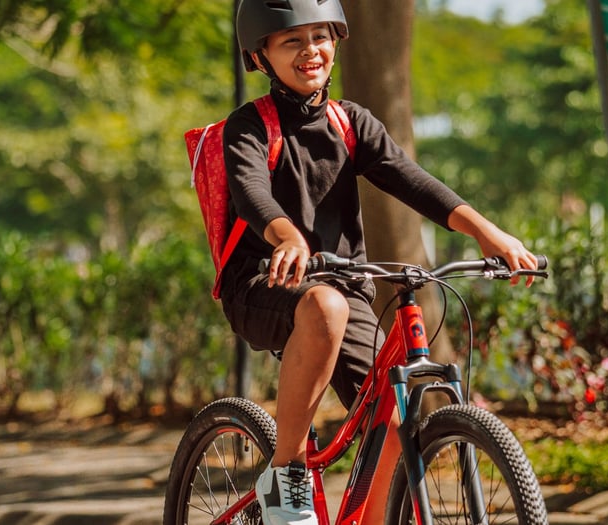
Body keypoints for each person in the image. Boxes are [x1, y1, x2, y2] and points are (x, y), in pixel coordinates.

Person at [220, 1, 538, 523]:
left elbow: (412, 180)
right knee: (323, 306)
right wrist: (288, 238)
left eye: (320, 37)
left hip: (343, 289)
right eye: (291, 41)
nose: (311, 51)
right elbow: (253, 195)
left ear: (337, 40)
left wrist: (489, 233)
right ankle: (288, 476)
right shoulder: (248, 127)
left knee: (393, 424)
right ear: (261, 56)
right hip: (265, 283)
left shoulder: (352, 123)